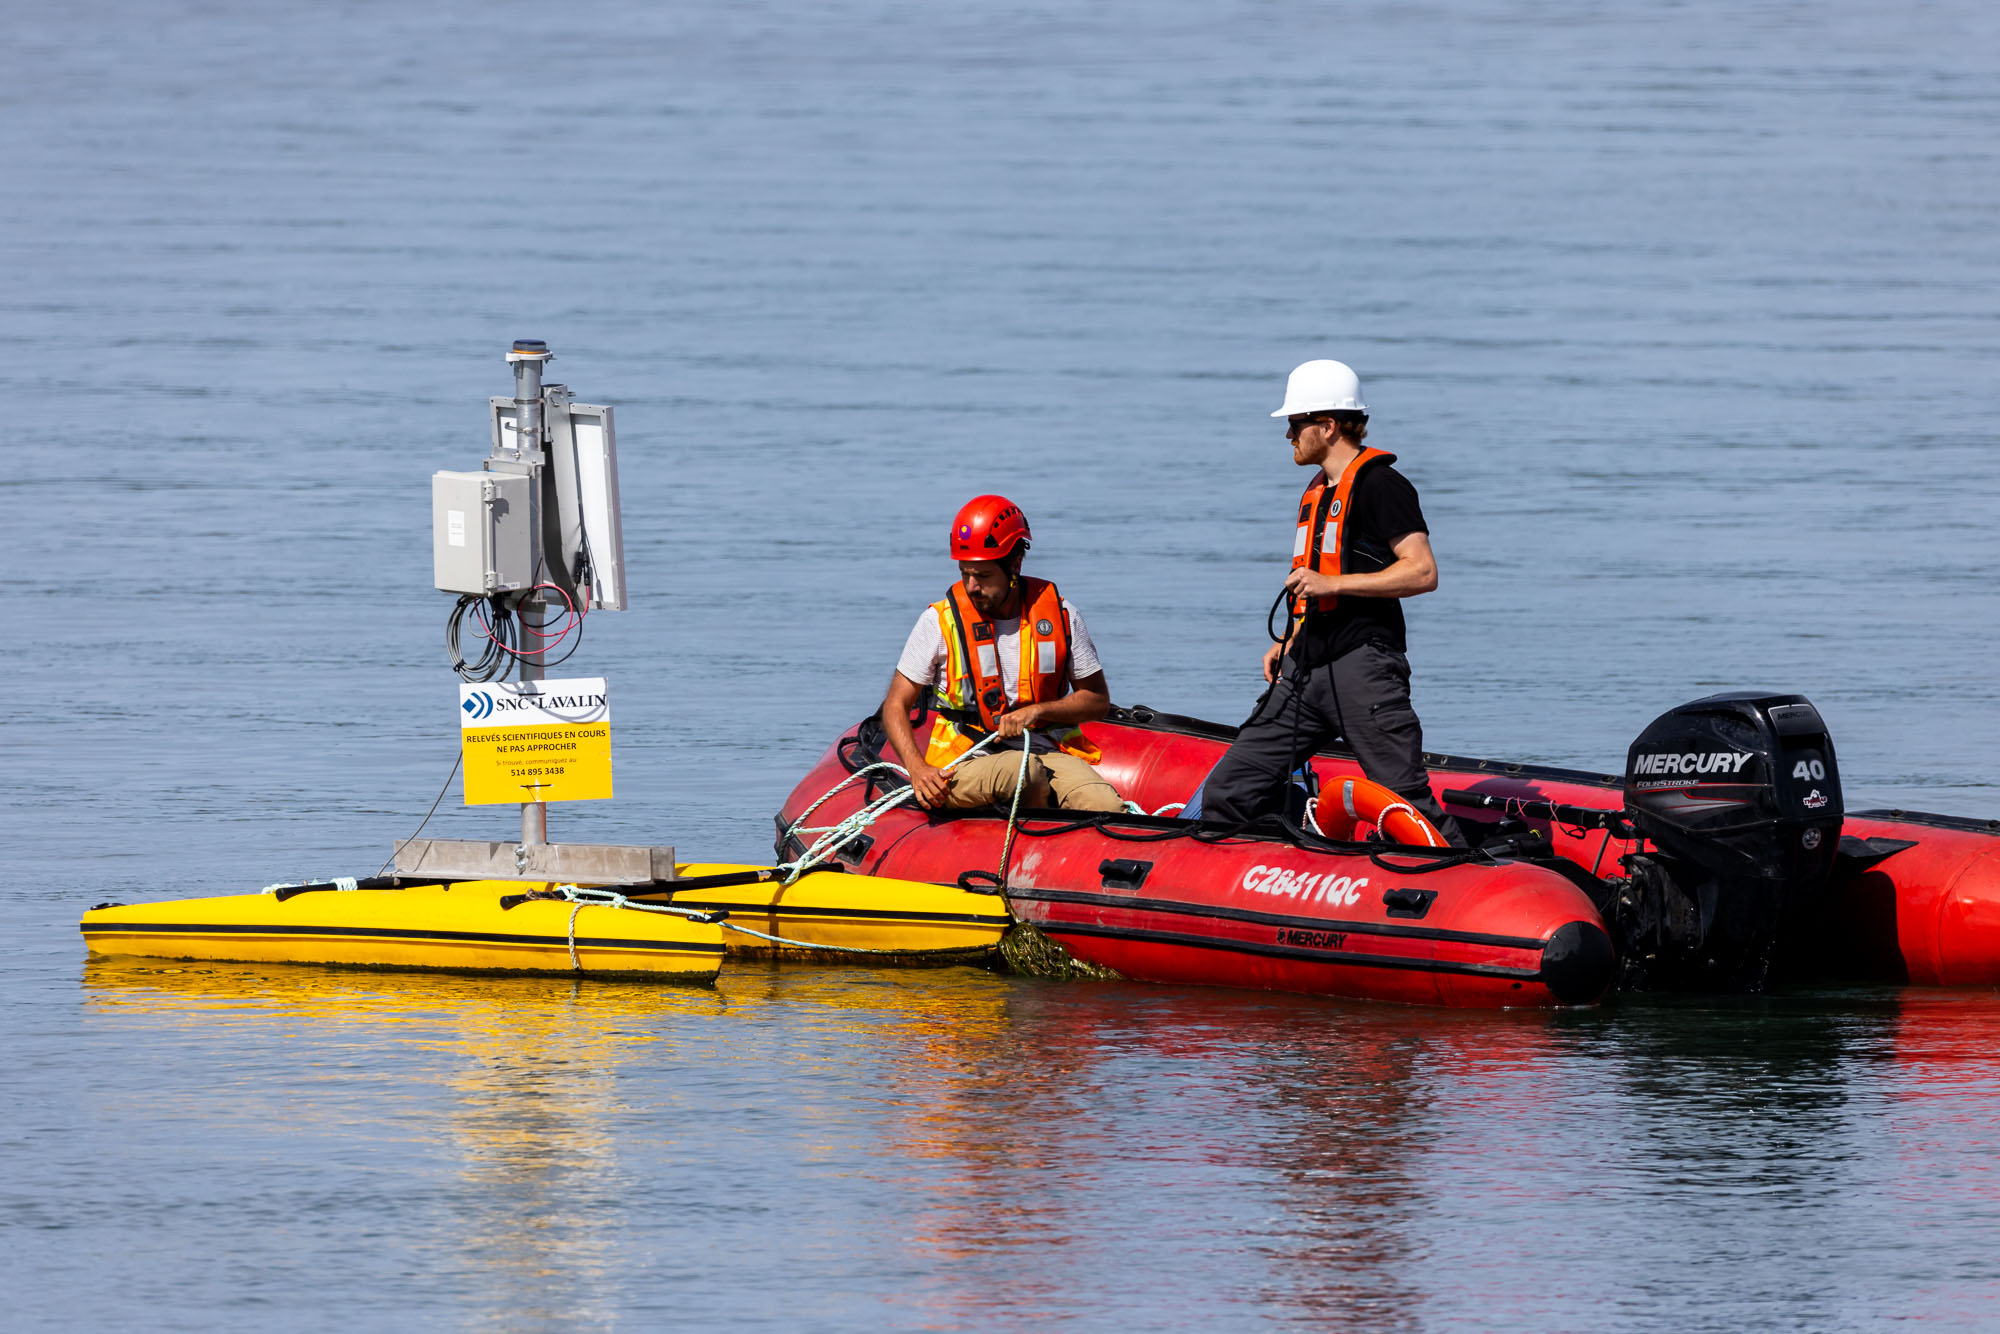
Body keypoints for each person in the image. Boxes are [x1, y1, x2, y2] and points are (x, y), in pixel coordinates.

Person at [1198, 360, 1467, 844]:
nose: (1288, 436)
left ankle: (1469, 884)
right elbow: (1314, 583)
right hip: (1304, 669)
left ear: (1327, 426)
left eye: (1295, 425)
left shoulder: (1382, 485)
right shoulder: (1318, 490)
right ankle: (1276, 885)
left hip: (1363, 668)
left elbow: (1422, 571)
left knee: (1405, 803)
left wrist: (1334, 586)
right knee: (1230, 790)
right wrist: (1291, 638)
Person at [879, 495, 1123, 812]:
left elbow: (1096, 700)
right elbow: (896, 704)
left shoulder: (1062, 617)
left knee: (1106, 807)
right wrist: (917, 769)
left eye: (982, 576)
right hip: (965, 757)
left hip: (1046, 750)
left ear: (1015, 565)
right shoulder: (939, 622)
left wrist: (1037, 712)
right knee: (1025, 773)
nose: (971, 586)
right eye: (965, 573)